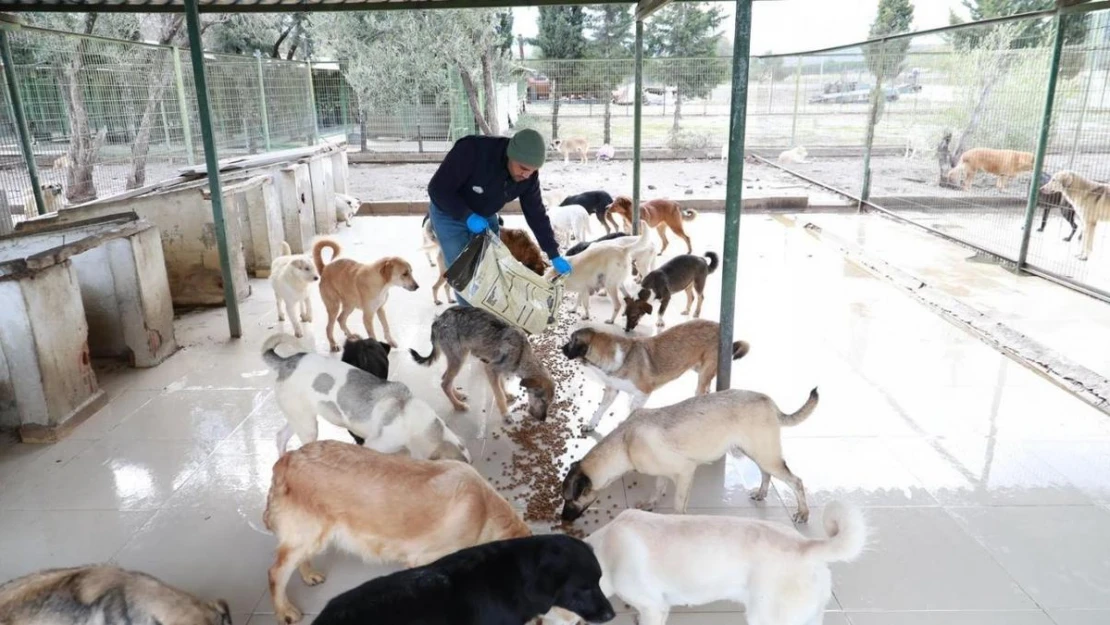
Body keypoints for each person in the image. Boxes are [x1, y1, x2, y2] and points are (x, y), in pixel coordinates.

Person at [427, 129, 571, 305]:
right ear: (510, 155)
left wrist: (553, 253)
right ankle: (471, 320)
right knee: (463, 273)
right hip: (449, 212)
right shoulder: (472, 150)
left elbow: (536, 213)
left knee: (492, 267)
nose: (526, 175)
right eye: (523, 169)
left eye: (533, 171)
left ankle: (493, 312)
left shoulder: (528, 175)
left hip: (485, 213)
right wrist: (467, 216)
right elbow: (437, 189)